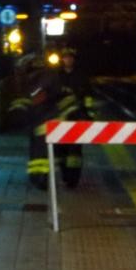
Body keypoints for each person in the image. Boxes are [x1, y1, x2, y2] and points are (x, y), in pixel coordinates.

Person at [25, 48, 92, 190]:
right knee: (60, 151)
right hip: (61, 118)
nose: (68, 60)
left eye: (70, 57)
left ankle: (72, 179)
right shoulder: (57, 76)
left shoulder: (81, 76)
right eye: (66, 58)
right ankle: (57, 176)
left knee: (74, 151)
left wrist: (88, 116)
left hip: (77, 117)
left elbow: (87, 97)